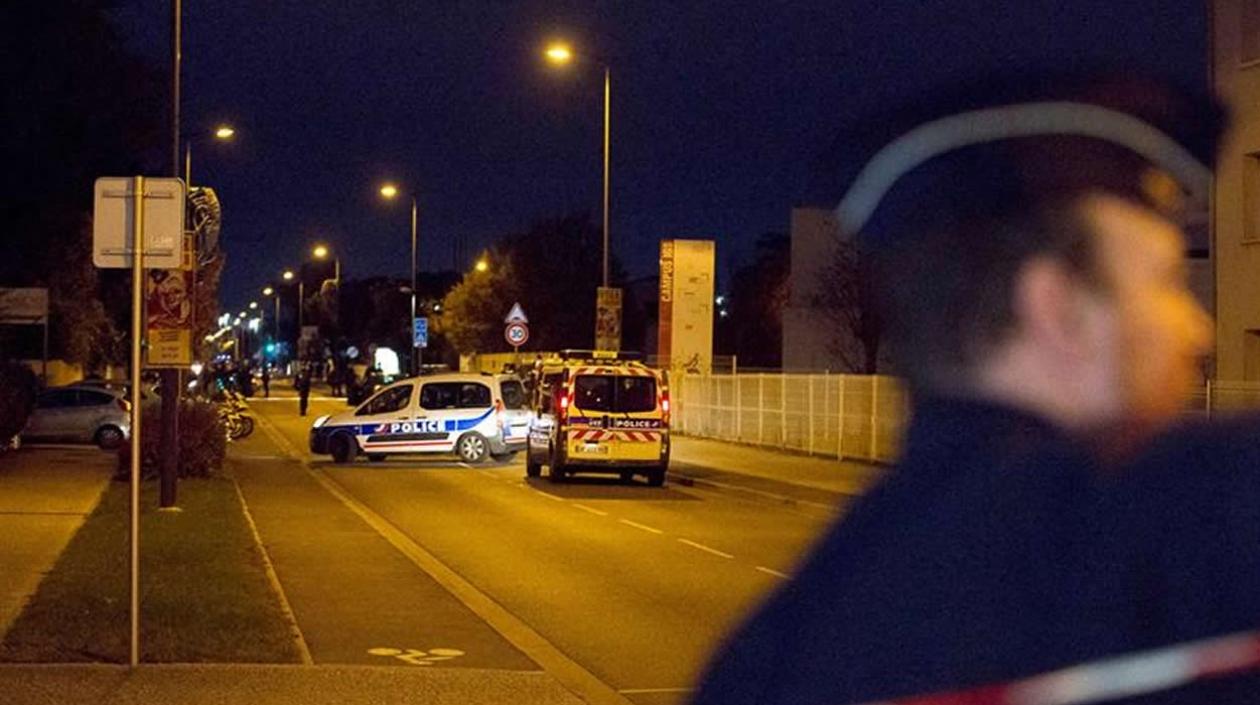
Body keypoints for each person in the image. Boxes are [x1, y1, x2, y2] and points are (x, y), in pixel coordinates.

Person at [690, 73, 1239, 705]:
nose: (1197, 329)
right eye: (1165, 283)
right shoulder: (1188, 542)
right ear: (1056, 308)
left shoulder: (768, 659)